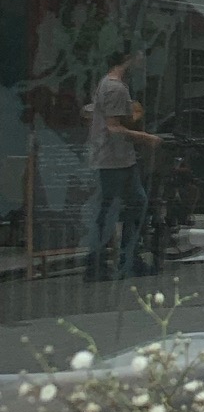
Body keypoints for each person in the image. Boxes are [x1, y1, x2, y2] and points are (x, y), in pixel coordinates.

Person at [82, 51, 161, 279]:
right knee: (120, 207)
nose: (143, 63)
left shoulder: (108, 84)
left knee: (127, 204)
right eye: (140, 58)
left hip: (118, 159)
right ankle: (114, 260)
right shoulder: (116, 88)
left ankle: (115, 259)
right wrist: (146, 138)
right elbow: (113, 128)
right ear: (129, 59)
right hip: (114, 160)